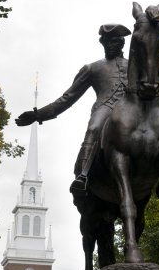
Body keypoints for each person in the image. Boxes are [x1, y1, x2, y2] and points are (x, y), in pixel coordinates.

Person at [15, 23, 131, 196]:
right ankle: (83, 175)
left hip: (131, 109)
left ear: (121, 43)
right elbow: (67, 98)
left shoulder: (135, 66)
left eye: (112, 42)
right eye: (105, 42)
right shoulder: (92, 68)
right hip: (105, 107)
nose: (108, 45)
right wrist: (38, 114)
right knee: (94, 128)